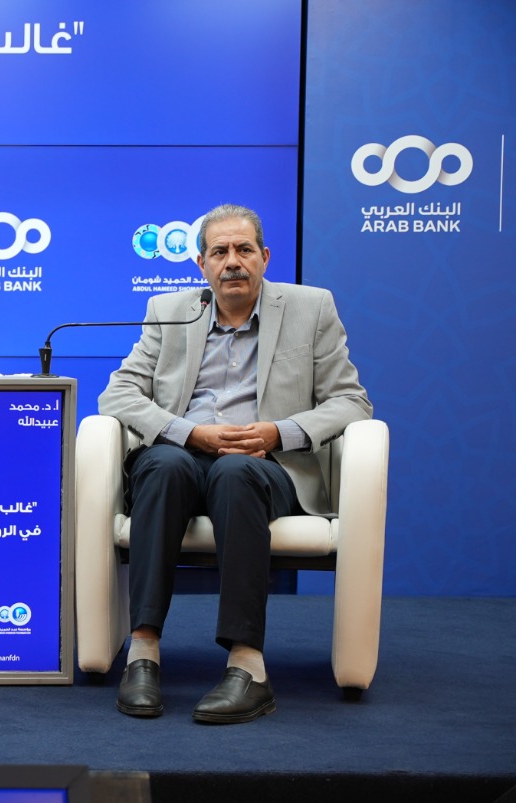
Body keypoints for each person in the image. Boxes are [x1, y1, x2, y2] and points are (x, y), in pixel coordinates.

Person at [99, 203, 372, 724]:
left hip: (266, 466)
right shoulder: (169, 310)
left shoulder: (312, 308)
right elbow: (119, 393)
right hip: (182, 456)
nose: (232, 262)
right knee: (163, 466)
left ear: (265, 257)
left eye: (244, 250)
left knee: (235, 471)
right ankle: (143, 653)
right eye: (219, 252)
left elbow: (351, 401)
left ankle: (248, 666)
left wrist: (279, 432)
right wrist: (189, 433)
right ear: (201, 264)